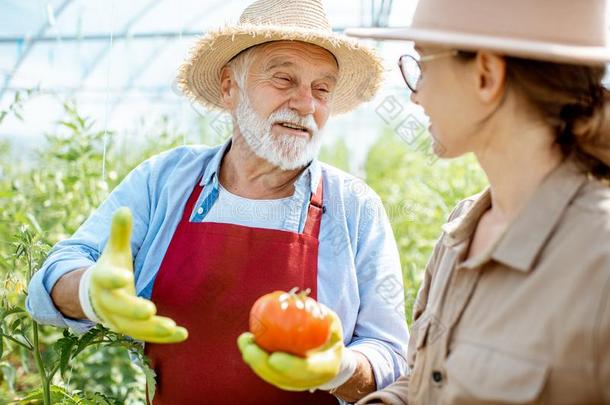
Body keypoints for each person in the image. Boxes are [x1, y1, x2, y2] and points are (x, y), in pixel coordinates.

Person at [26, 0, 410, 403]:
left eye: (322, 89)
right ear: (230, 87)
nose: (306, 103)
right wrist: (89, 291)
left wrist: (340, 369)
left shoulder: (355, 207)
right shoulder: (166, 180)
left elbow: (390, 356)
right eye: (283, 79)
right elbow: (58, 271)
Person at [346, 0, 610, 403]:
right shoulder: (461, 230)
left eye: (425, 67)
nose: (416, 97)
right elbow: (424, 384)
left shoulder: (598, 257)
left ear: (486, 75)